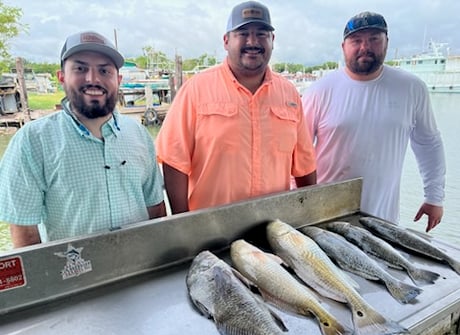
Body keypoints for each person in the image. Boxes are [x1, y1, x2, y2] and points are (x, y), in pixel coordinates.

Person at [0, 31, 166, 248]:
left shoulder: (139, 134)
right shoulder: (31, 141)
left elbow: (155, 207)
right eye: (80, 68)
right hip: (74, 275)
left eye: (104, 70)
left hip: (141, 266)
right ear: (61, 77)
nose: (93, 79)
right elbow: (24, 230)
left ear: (119, 79)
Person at [155, 1, 317, 214]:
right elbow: (174, 161)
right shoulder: (196, 89)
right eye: (243, 33)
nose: (252, 41)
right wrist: (184, 225)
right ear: (226, 40)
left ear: (272, 40)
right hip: (210, 229)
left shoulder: (290, 94)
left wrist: (310, 213)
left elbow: (304, 165)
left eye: (261, 34)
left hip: (274, 226)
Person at [302, 11, 446, 232]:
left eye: (374, 39)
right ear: (343, 47)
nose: (364, 47)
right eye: (356, 40)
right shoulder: (319, 91)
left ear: (386, 42)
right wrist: (300, 206)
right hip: (324, 220)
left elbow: (429, 144)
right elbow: (298, 153)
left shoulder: (411, 88)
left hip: (383, 220)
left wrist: (434, 197)